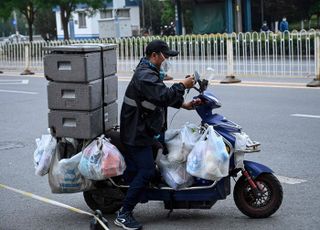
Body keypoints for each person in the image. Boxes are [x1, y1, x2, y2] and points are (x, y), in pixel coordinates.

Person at [116, 40, 200, 230]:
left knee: (161, 156)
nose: (167, 59)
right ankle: (124, 214)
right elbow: (163, 95)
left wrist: (183, 104)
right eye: (165, 56)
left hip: (144, 129)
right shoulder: (145, 75)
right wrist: (182, 85)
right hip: (136, 133)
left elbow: (156, 97)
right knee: (146, 171)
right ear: (154, 55)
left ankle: (157, 194)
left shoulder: (150, 72)